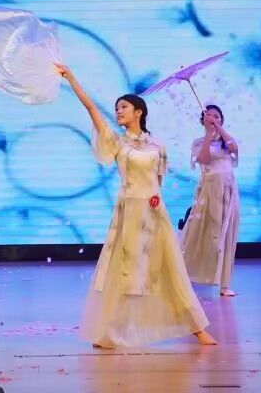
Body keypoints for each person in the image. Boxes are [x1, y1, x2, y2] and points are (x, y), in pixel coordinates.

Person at [52, 62, 215, 349]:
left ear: (139, 111)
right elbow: (91, 109)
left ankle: (198, 329)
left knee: (170, 270)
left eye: (124, 107)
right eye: (116, 108)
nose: (118, 112)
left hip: (154, 213)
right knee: (124, 272)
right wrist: (71, 77)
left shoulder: (157, 146)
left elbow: (158, 183)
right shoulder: (117, 143)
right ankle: (111, 331)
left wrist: (155, 201)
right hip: (128, 213)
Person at [180, 103, 241, 296]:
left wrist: (218, 128)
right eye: (209, 116)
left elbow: (234, 148)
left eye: (217, 116)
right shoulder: (198, 142)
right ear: (202, 120)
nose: (213, 118)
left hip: (228, 189)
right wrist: (208, 134)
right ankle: (186, 276)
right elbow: (204, 160)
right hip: (208, 189)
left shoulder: (226, 140)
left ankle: (224, 284)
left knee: (227, 233)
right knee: (201, 232)